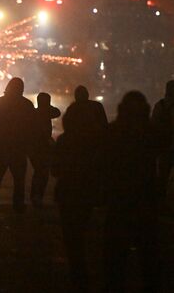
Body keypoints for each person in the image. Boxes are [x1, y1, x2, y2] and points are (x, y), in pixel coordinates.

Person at [100, 91, 160, 292]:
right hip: (145, 201)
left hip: (118, 202)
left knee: (115, 260)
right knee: (148, 260)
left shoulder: (113, 132)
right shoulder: (150, 133)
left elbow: (102, 165)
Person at [51, 91, 106, 291]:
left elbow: (55, 169)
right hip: (88, 191)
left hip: (68, 193)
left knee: (71, 234)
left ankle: (77, 270)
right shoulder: (95, 142)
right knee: (85, 229)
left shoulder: (65, 141)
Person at [0, 77, 35, 213]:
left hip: (3, 145)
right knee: (19, 180)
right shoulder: (27, 104)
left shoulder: (1, 102)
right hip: (19, 147)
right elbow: (31, 127)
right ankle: (18, 205)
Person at [29, 92, 60, 208]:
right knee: (42, 172)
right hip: (42, 146)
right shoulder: (46, 112)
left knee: (39, 172)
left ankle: (35, 196)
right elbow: (57, 112)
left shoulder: (35, 113)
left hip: (34, 146)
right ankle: (37, 196)